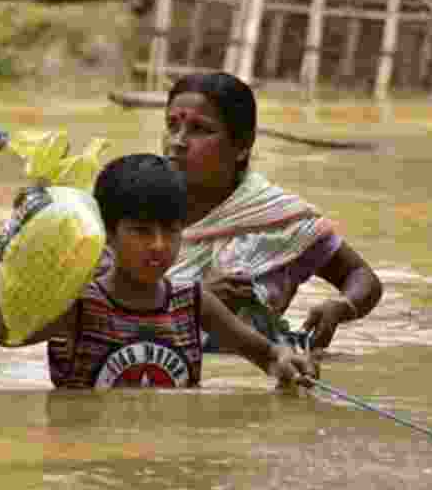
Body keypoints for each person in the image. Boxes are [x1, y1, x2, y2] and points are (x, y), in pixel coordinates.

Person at [0, 153, 315, 389]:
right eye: (141, 232)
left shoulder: (193, 301)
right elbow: (6, 335)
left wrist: (287, 361)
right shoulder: (80, 304)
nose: (159, 245)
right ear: (108, 234)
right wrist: (16, 258)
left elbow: (268, 356)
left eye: (171, 230)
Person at [161, 72, 383, 351]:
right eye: (172, 126)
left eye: (199, 129)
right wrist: (191, 299)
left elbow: (362, 276)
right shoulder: (138, 208)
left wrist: (341, 306)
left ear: (242, 146)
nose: (178, 141)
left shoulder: (280, 219)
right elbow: (102, 302)